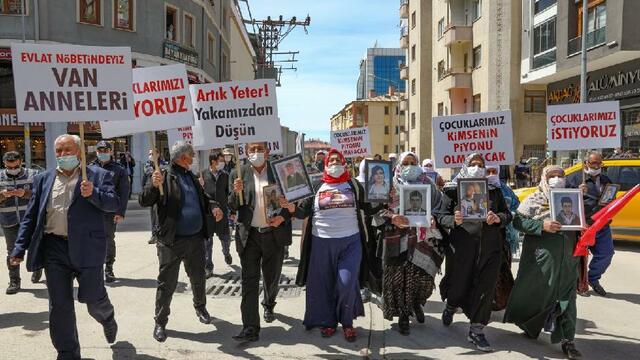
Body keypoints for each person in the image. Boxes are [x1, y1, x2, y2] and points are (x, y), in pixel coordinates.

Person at [10, 134, 119, 359]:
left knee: (93, 299)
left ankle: (107, 317)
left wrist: (94, 194)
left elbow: (114, 204)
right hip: (54, 249)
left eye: (67, 150)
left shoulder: (99, 175)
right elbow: (32, 216)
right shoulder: (44, 178)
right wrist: (19, 248)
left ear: (78, 152)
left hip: (88, 248)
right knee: (59, 306)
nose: (62, 155)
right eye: (58, 151)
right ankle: (67, 353)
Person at [139, 141, 223, 342]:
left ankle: (200, 307)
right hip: (171, 242)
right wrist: (153, 184)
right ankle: (160, 322)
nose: (193, 159)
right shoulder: (163, 175)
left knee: (198, 278)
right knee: (166, 284)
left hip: (195, 240)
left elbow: (204, 197)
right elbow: (144, 200)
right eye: (191, 156)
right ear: (183, 157)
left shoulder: (191, 176)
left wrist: (213, 206)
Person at [504, 166, 582, 360]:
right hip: (542, 258)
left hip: (569, 259)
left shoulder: (573, 197)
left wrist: (584, 199)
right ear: (544, 178)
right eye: (552, 176)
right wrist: (541, 225)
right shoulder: (534, 199)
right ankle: (530, 325)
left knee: (567, 298)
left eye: (560, 176)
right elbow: (518, 222)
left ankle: (568, 340)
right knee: (538, 295)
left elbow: (584, 222)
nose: (557, 179)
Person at [294, 149, 372, 342]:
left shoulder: (354, 185)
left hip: (351, 242)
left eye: (339, 159)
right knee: (324, 285)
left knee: (346, 283)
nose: (335, 163)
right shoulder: (316, 185)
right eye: (332, 160)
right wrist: (289, 208)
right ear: (326, 164)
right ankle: (328, 322)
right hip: (321, 242)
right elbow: (302, 212)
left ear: (345, 163)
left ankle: (347, 322)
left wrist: (385, 196)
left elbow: (370, 207)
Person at [436, 153, 512, 352]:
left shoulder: (494, 190)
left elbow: (507, 215)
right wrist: (454, 220)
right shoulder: (452, 190)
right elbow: (440, 216)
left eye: (481, 164)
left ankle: (476, 330)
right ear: (465, 166)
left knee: (485, 288)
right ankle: (451, 305)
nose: (477, 167)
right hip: (462, 248)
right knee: (458, 285)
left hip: (491, 248)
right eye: (473, 164)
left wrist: (498, 218)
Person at [229, 142, 293, 342]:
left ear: (267, 152)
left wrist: (283, 215)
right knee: (249, 281)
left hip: (274, 234)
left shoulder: (279, 171)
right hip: (249, 236)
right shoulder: (238, 173)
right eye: (252, 150)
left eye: (260, 149)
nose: (256, 153)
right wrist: (234, 191)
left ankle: (269, 304)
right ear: (246, 153)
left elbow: (293, 201)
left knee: (271, 276)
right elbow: (232, 205)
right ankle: (250, 327)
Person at [375, 151, 443, 335]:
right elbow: (375, 213)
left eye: (413, 162)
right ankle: (404, 315)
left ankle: (417, 303)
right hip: (397, 238)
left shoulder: (428, 184)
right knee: (400, 279)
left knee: (421, 278)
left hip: (423, 239)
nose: (410, 165)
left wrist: (435, 218)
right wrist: (392, 218)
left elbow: (440, 206)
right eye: (406, 162)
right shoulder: (389, 185)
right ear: (399, 164)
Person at [567, 151, 613, 297]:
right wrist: (576, 192)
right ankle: (580, 283)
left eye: (599, 163)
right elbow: (564, 200)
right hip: (583, 224)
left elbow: (610, 199)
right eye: (594, 163)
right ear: (586, 163)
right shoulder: (574, 179)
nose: (597, 166)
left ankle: (593, 278)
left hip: (602, 224)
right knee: (580, 257)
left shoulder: (606, 179)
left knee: (606, 253)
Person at [0, 151, 41, 294]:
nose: (12, 170)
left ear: (21, 162)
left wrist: (25, 194)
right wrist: (2, 195)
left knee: (35, 247)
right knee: (12, 251)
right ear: (4, 164)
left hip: (29, 219)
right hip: (8, 219)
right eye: (9, 167)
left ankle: (37, 267)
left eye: (15, 167)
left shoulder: (33, 174)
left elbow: (41, 195)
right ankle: (14, 281)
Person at [90, 141, 130, 283]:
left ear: (111, 151)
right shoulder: (89, 168)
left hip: (110, 211)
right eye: (100, 149)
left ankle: (108, 268)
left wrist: (120, 212)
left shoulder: (119, 170)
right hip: (93, 210)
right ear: (96, 151)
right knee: (92, 240)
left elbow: (124, 192)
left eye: (106, 149)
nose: (103, 152)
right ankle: (94, 268)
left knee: (108, 239)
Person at [486, 165, 519, 311]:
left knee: (503, 269)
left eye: (495, 171)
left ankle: (498, 299)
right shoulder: (476, 187)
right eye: (488, 171)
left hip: (505, 235)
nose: (492, 174)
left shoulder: (505, 189)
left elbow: (516, 206)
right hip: (485, 237)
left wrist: (507, 214)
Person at [200, 151, 233, 278]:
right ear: (213, 161)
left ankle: (226, 252)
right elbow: (200, 194)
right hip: (208, 213)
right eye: (221, 160)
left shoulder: (225, 175)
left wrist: (231, 210)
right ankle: (208, 266)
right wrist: (199, 184)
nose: (223, 163)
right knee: (207, 242)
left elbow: (228, 193)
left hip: (222, 213)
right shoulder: (202, 174)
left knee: (225, 237)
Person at [143, 149, 168, 245]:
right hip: (152, 192)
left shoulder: (164, 164)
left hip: (162, 193)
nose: (150, 155)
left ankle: (161, 233)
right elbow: (148, 174)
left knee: (161, 214)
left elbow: (165, 171)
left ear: (158, 154)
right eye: (149, 154)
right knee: (153, 215)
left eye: (152, 154)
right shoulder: (147, 165)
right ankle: (154, 234)